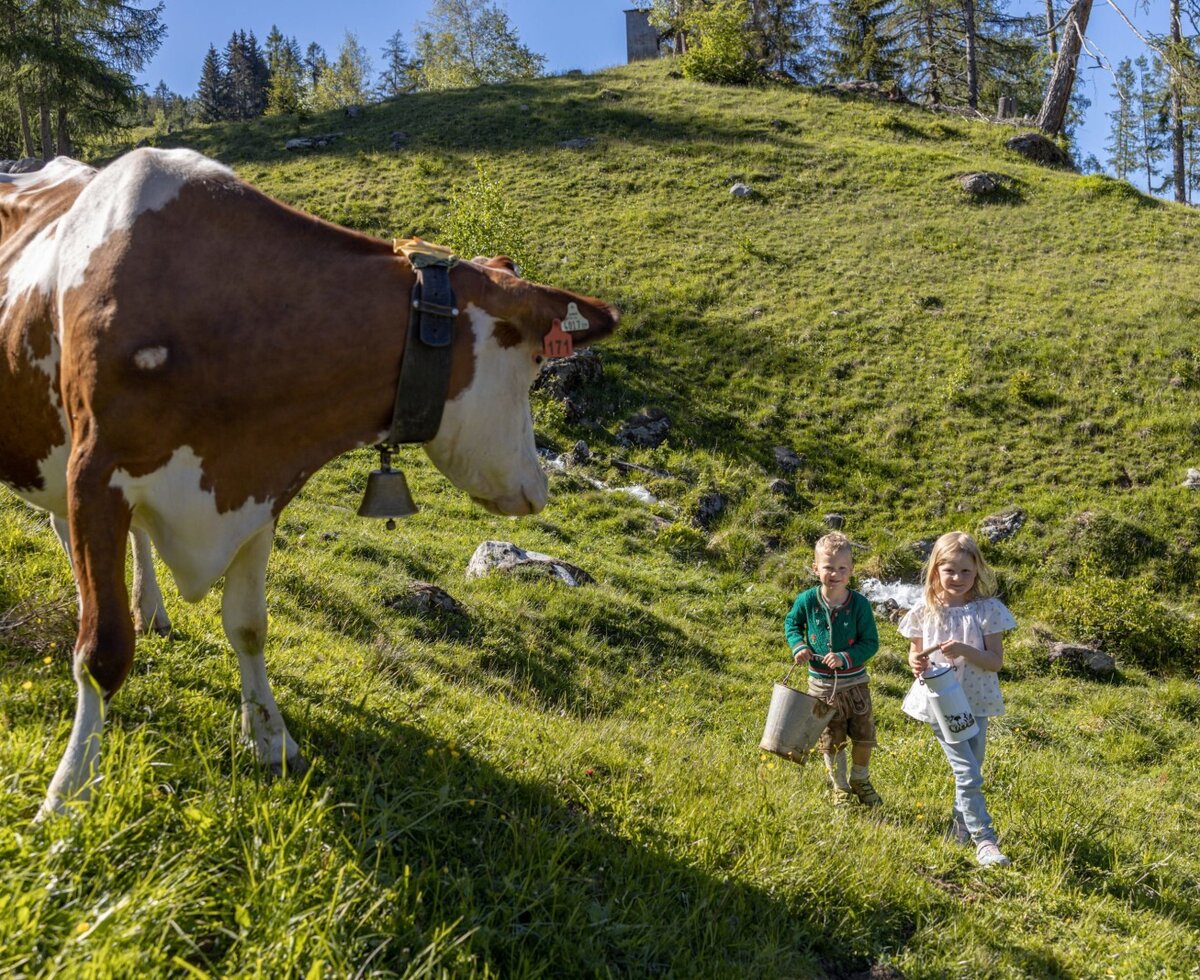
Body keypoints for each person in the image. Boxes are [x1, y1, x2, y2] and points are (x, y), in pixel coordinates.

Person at [899, 531, 1017, 868]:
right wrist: (916, 662)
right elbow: (914, 658)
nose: (958, 578)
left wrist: (965, 650)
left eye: (966, 571)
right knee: (967, 771)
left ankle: (959, 830)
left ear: (977, 571)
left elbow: (995, 661)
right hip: (943, 701)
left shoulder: (987, 610)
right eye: (950, 570)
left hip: (976, 699)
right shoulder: (925, 611)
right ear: (936, 569)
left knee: (971, 768)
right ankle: (985, 840)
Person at [784, 531, 881, 806]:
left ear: (851, 570)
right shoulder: (807, 601)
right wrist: (798, 646)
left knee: (864, 736)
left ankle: (860, 779)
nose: (834, 574)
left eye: (841, 568)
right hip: (822, 685)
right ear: (816, 568)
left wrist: (845, 657)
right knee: (832, 737)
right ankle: (839, 787)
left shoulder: (859, 604)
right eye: (828, 567)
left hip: (855, 684)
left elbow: (871, 642)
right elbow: (791, 624)